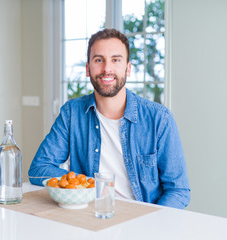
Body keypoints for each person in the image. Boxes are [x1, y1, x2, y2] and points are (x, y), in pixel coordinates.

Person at [28, 28, 190, 209]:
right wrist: (80, 184)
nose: (107, 69)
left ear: (128, 69)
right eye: (99, 60)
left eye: (115, 60)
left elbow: (178, 190)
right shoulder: (72, 113)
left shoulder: (160, 119)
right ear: (88, 69)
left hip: (142, 221)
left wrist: (152, 225)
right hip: (90, 217)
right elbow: (38, 169)